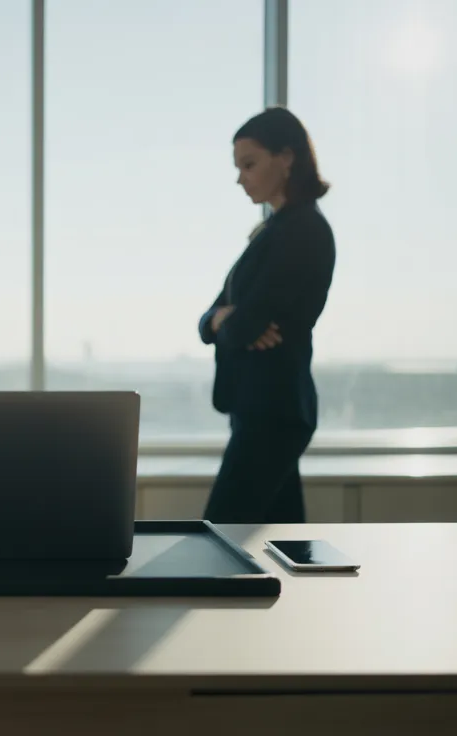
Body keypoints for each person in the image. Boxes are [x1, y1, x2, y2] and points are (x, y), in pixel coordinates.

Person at [197, 106, 335, 524]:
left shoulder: (303, 230)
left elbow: (243, 322)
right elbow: (212, 320)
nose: (241, 178)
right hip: (259, 408)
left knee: (222, 533)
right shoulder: (274, 231)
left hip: (273, 410)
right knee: (280, 545)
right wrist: (224, 320)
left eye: (249, 164)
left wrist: (231, 321)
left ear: (287, 157)